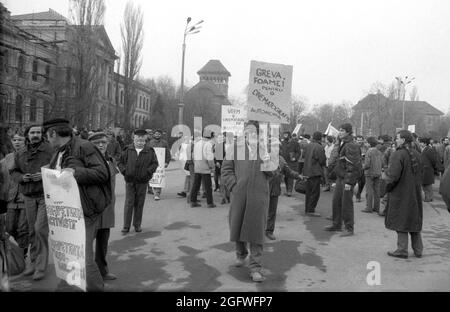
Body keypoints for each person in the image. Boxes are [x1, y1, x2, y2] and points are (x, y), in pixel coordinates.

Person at [44, 118, 111, 292]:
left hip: (84, 211)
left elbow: (102, 173)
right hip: (67, 213)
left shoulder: (84, 147)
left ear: (53, 133)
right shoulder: (58, 152)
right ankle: (67, 285)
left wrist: (75, 172)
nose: (47, 139)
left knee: (85, 259)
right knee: (68, 254)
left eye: (47, 135)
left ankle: (95, 288)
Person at [221, 120, 273, 282]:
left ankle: (255, 267)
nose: (248, 135)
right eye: (246, 132)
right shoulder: (234, 149)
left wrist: (266, 158)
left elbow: (274, 173)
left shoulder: (267, 150)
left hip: (259, 197)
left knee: (257, 232)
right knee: (237, 226)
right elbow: (226, 169)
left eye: (252, 132)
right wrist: (234, 186)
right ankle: (241, 253)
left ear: (257, 135)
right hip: (239, 195)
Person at [11, 125, 53, 281]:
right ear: (27, 135)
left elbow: (59, 168)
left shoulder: (49, 150)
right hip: (28, 195)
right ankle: (32, 262)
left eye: (38, 132)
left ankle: (40, 267)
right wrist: (22, 177)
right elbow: (13, 171)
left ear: (42, 134)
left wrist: (44, 175)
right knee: (31, 231)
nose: (35, 135)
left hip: (45, 195)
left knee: (40, 229)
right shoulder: (21, 151)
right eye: (32, 132)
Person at [384, 130, 423, 259]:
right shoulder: (417, 154)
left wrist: (387, 188)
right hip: (414, 193)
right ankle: (418, 250)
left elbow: (393, 176)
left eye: (398, 138)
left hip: (401, 193)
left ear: (404, 140)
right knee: (413, 220)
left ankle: (402, 250)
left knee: (401, 220)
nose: (396, 140)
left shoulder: (398, 154)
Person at [88, 132, 117, 281]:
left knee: (103, 243)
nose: (101, 145)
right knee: (85, 244)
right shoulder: (84, 162)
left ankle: (103, 271)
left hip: (107, 209)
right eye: (97, 142)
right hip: (90, 210)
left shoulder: (111, 161)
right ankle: (84, 273)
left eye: (104, 142)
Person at [118, 129, 158, 234]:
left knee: (139, 203)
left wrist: (148, 173)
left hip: (142, 181)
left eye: (142, 141)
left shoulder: (150, 151)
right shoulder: (127, 150)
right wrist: (125, 172)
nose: (140, 143)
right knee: (129, 203)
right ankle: (126, 226)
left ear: (145, 140)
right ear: (134, 139)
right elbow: (120, 162)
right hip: (130, 181)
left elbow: (154, 164)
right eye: (137, 140)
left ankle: (137, 225)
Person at [325, 123, 361, 237]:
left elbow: (353, 165)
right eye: (339, 130)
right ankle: (336, 224)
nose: (339, 132)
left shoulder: (351, 145)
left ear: (348, 132)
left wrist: (349, 182)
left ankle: (349, 228)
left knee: (347, 204)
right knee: (336, 201)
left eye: (342, 130)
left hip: (346, 179)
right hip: (340, 177)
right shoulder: (343, 143)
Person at [2, 133, 29, 259]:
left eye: (20, 139)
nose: (17, 142)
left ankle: (21, 253)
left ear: (26, 141)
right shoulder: (7, 158)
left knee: (23, 228)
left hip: (26, 197)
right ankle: (17, 249)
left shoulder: (31, 156)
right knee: (10, 228)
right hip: (11, 198)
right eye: (14, 139)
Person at [266, 153, 301, 240]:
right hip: (262, 189)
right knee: (259, 212)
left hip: (275, 189)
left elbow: (288, 171)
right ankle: (256, 232)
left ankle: (269, 231)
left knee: (272, 212)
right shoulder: (262, 157)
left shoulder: (281, 159)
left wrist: (298, 176)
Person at [190, 129, 216, 208]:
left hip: (197, 166)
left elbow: (193, 155)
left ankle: (193, 201)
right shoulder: (208, 144)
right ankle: (210, 203)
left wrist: (196, 164)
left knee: (196, 185)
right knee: (208, 186)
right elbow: (209, 157)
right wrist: (212, 167)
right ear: (210, 136)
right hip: (205, 167)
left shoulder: (197, 143)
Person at [302, 131, 326, 217]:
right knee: (315, 192)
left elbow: (304, 155)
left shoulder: (308, 146)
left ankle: (307, 209)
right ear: (320, 138)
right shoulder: (319, 147)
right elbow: (322, 160)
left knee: (308, 192)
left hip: (307, 171)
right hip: (315, 172)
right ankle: (311, 210)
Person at [146, 129, 170, 201]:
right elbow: (147, 153)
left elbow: (168, 153)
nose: (157, 135)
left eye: (159, 134)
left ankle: (157, 193)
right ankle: (153, 191)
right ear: (154, 134)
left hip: (161, 165)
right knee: (153, 178)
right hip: (152, 163)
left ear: (161, 135)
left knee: (159, 178)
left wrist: (167, 162)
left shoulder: (164, 143)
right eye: (156, 134)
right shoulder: (150, 143)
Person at [361, 137, 382, 214]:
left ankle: (368, 207)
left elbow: (367, 164)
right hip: (378, 172)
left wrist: (362, 167)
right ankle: (376, 207)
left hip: (370, 173)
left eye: (366, 142)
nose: (365, 143)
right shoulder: (379, 152)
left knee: (369, 191)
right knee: (377, 191)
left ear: (369, 144)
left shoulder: (369, 152)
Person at [280, 131, 300, 196]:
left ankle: (289, 191)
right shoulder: (282, 143)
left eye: (286, 134)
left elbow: (298, 152)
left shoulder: (295, 143)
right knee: (286, 177)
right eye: (284, 134)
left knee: (290, 176)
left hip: (291, 163)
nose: (284, 136)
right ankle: (287, 190)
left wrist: (295, 158)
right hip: (284, 162)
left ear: (289, 135)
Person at [419, 137, 439, 202]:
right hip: (424, 170)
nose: (419, 143)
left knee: (428, 185)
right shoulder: (423, 149)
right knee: (425, 185)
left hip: (428, 169)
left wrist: (431, 167)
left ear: (425, 143)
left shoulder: (429, 150)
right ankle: (428, 197)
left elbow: (433, 160)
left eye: (421, 142)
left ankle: (429, 198)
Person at [355, 135, 367, 202]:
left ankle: (359, 192)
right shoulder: (354, 147)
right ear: (356, 140)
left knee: (363, 182)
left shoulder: (365, 147)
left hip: (364, 166)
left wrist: (364, 156)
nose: (359, 141)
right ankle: (358, 195)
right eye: (358, 140)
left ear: (363, 140)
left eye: (360, 140)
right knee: (358, 182)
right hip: (356, 166)